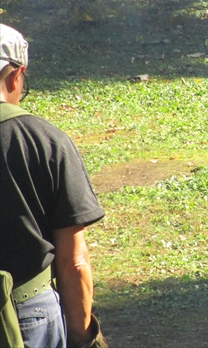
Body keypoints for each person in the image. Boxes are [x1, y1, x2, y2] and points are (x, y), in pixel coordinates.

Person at [0, 24, 107, 348]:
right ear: (16, 76)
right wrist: (82, 335)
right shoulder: (44, 141)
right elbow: (73, 260)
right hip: (26, 315)